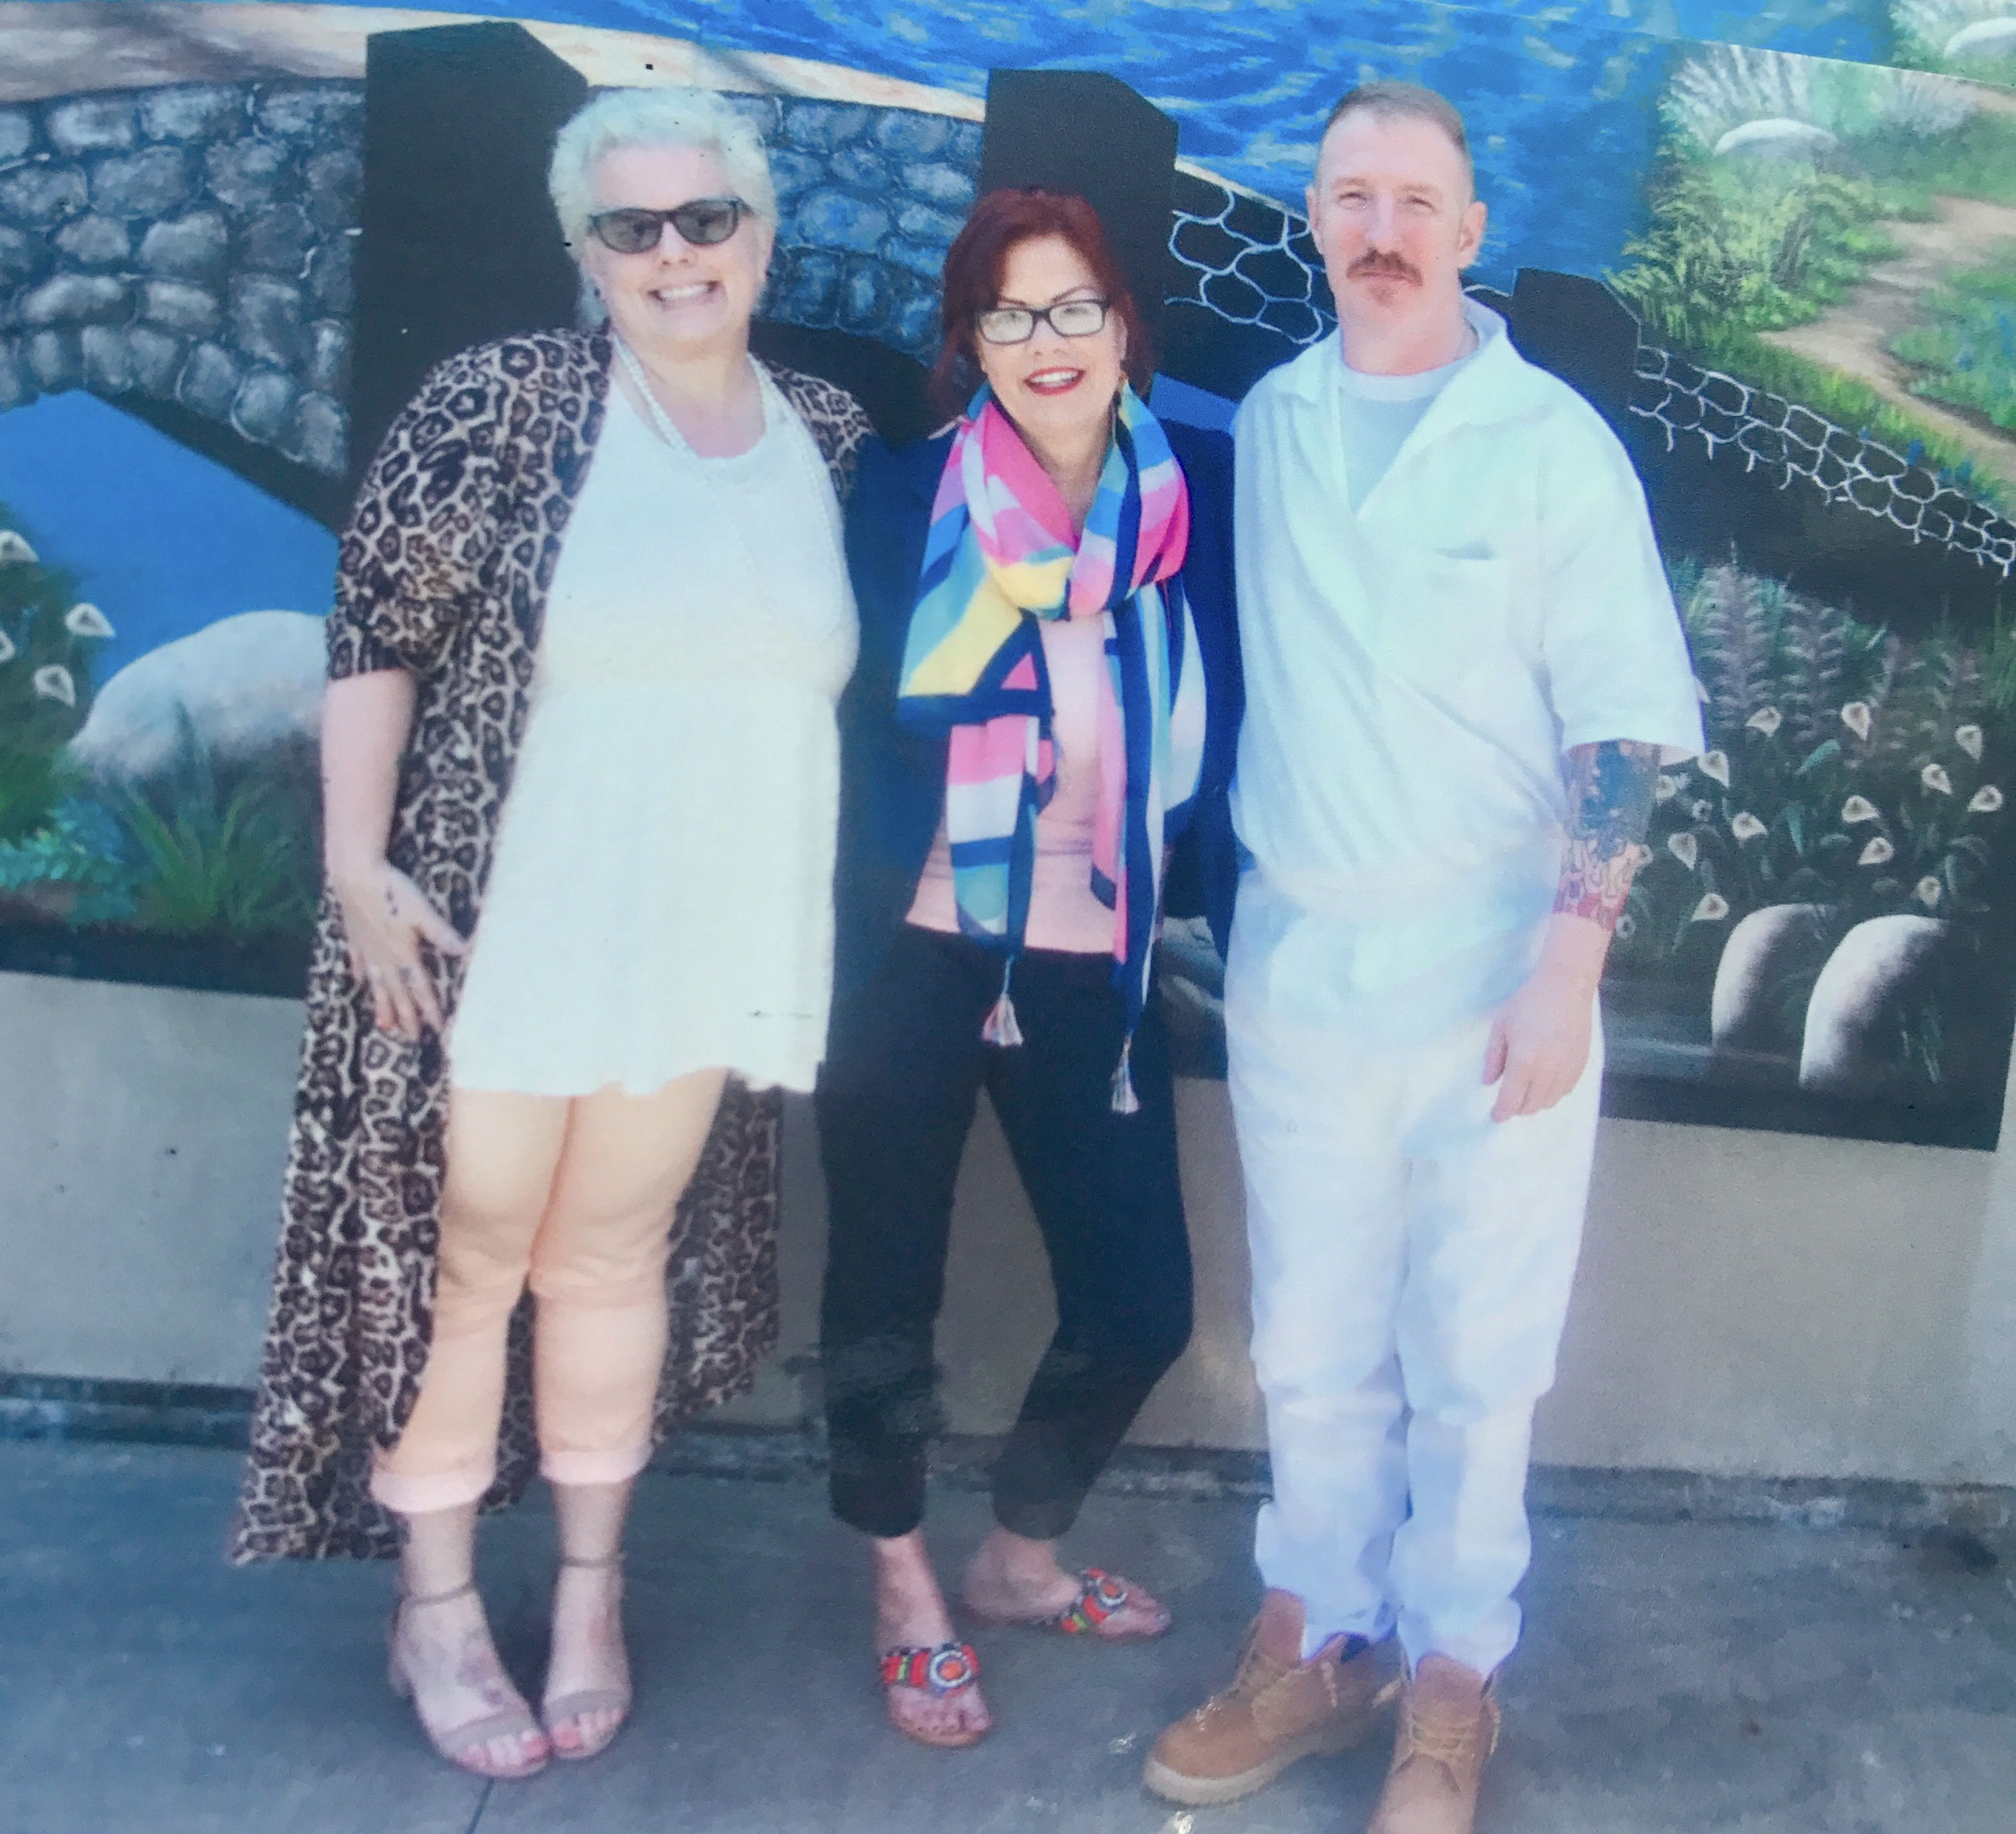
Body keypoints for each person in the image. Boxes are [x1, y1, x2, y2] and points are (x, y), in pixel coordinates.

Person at [229, 87, 871, 1781]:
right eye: (630, 227)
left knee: (611, 1251)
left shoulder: (825, 432)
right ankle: (436, 1606)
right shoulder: (507, 398)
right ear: (586, 250)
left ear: (762, 233)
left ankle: (591, 1592)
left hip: (703, 927)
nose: (674, 255)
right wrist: (356, 865)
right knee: (472, 1252)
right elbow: (375, 626)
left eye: (705, 218)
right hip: (502, 919)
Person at [1145, 82, 1703, 1834]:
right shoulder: (1277, 423)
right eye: (1351, 197)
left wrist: (1568, 971)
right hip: (1304, 959)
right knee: (1311, 1342)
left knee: (1479, 1356)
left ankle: (1454, 1677)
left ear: (1471, 230)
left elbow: (1625, 728)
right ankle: (1316, 1642)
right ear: (1314, 219)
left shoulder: (1548, 447)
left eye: (1415, 202)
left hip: (1495, 970)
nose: (1381, 232)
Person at [819, 187, 1241, 1749]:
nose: (1046, 339)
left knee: (1141, 1300)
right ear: (970, 341)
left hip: (1092, 962)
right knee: (884, 1295)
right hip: (911, 948)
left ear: (1124, 326)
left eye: (1076, 306)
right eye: (1009, 312)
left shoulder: (1200, 500)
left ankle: (1016, 1554)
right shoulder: (899, 495)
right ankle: (901, 1587)